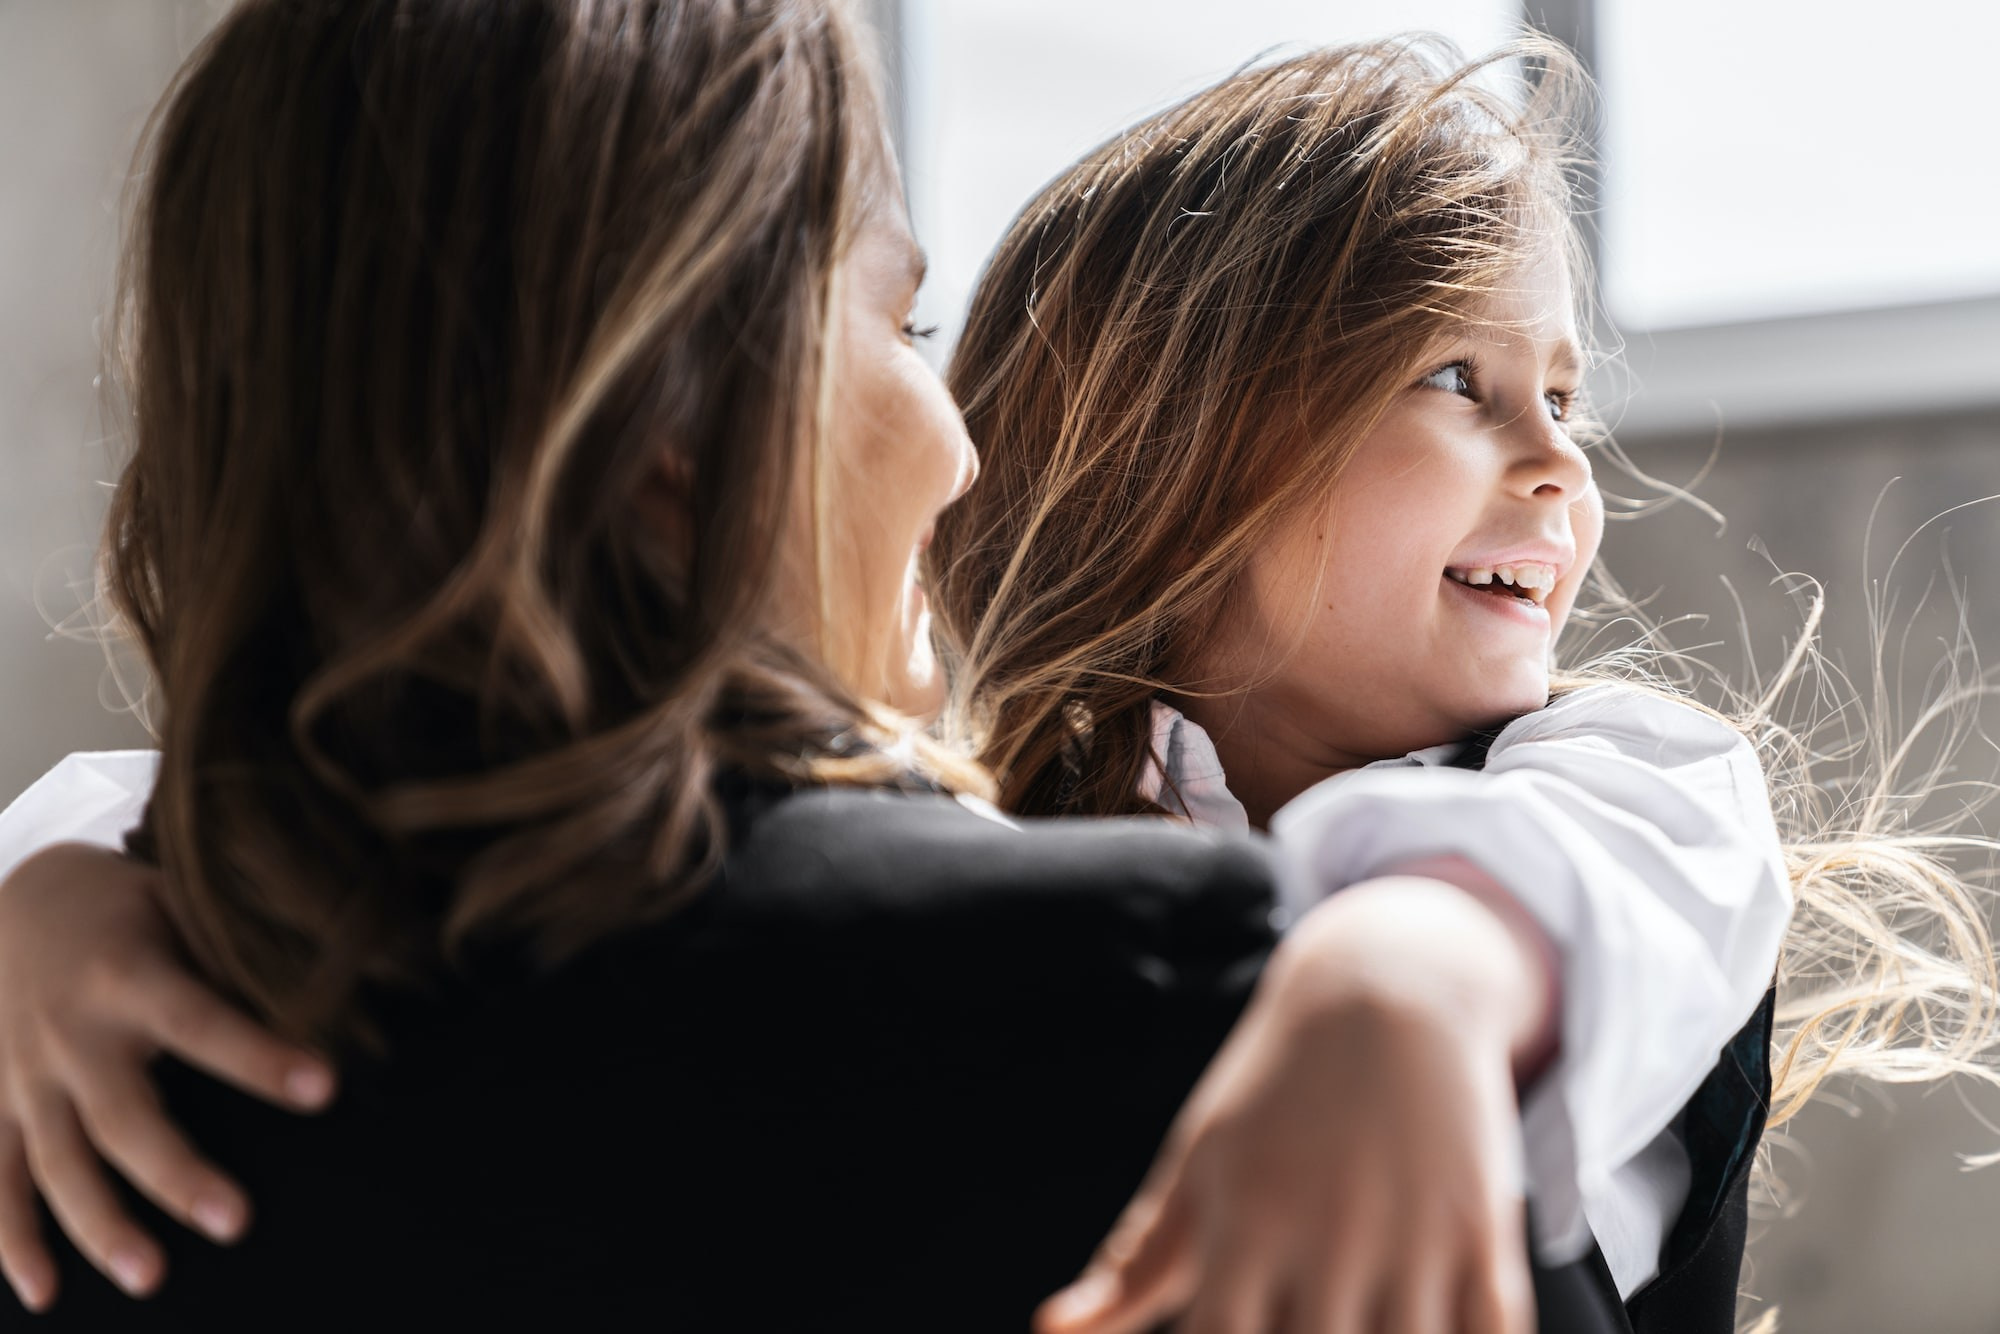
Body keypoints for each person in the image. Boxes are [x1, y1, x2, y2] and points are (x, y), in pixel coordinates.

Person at [0, 2, 1586, 1331]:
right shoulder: (1197, 1035)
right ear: (680, 415)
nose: (962, 456)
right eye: (902, 327)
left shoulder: (71, 1123)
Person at [926, 33, 1998, 1334]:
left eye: (1561, 392)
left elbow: (1563, 884)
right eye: (1454, 379)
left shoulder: (1636, 778)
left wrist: (1408, 968)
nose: (1561, 462)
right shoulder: (1000, 851)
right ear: (1167, 455)